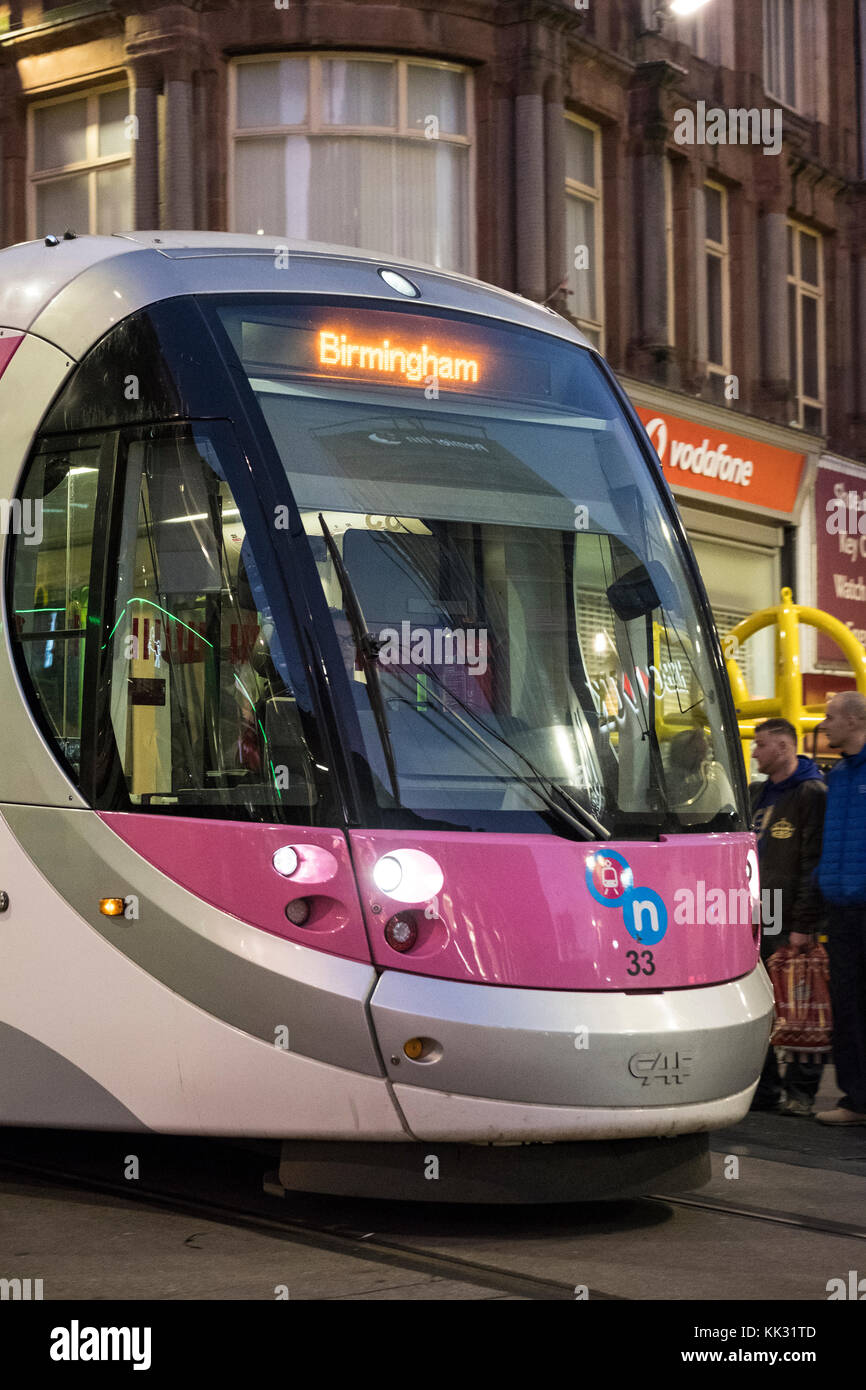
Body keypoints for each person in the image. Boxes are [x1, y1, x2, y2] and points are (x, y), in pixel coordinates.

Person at [749, 718, 827, 1115]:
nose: (754, 753)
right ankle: (764, 1089)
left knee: (800, 1000)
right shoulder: (758, 793)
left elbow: (814, 861)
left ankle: (801, 1093)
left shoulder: (812, 793)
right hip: (761, 911)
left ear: (783, 746)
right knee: (762, 1000)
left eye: (761, 745)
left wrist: (804, 922)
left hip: (790, 911)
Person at [815, 691, 866, 1125]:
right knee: (847, 1004)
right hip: (842, 910)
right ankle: (856, 1100)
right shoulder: (838, 777)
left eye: (830, 717)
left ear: (853, 720)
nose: (823, 724)